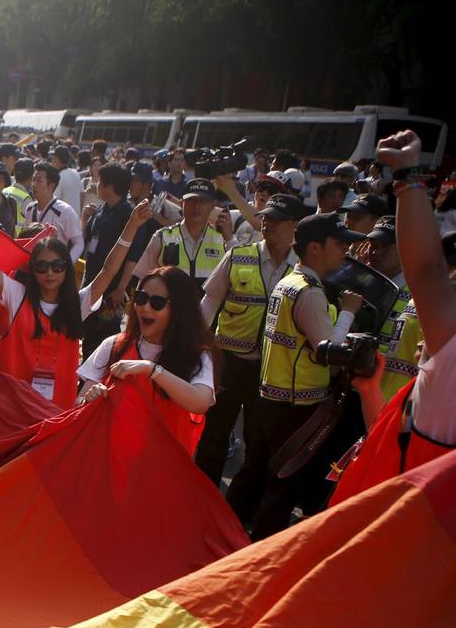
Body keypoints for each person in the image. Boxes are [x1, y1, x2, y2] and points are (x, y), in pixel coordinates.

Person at [329, 129, 456, 504]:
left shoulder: (449, 367)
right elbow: (383, 432)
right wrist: (371, 392)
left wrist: (407, 173)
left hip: (399, 519)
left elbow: (428, 269)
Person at [224, 213, 365, 539]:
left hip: (271, 396)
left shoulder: (290, 281)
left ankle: (225, 531)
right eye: (339, 243)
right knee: (282, 487)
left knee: (254, 473)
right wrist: (348, 311)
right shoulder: (310, 292)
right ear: (315, 247)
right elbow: (330, 351)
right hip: (295, 406)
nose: (345, 250)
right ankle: (261, 549)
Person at [0, 201, 138, 407]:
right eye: (41, 266)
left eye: (57, 266)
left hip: (56, 413)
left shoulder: (78, 304)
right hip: (14, 408)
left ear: (67, 268)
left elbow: (109, 271)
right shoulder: (17, 296)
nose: (50, 273)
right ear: (32, 269)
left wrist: (132, 225)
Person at [194, 193, 309, 484]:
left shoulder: (305, 269)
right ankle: (202, 494)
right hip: (229, 363)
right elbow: (209, 302)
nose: (267, 224)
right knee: (214, 434)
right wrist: (193, 345)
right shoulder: (238, 255)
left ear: (295, 225)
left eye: (277, 220)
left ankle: (240, 502)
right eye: (266, 217)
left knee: (258, 441)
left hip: (272, 371)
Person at [77, 265, 219, 454]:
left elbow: (201, 402)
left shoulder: (197, 355)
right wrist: (88, 399)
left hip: (163, 465)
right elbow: (78, 403)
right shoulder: (114, 345)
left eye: (157, 302)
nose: (145, 307)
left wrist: (152, 369)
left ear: (179, 309)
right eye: (141, 298)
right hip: (113, 461)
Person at [358, 216, 422, 401]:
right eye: (373, 244)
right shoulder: (361, 281)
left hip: (392, 396)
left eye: (385, 246)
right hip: (355, 387)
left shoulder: (417, 291)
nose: (375, 252)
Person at [129, 177, 227, 293]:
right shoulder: (162, 237)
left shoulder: (223, 239)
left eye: (203, 201)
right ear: (181, 204)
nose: (196, 206)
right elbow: (141, 278)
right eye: (191, 200)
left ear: (213, 205)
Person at [25, 163, 83, 263]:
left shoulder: (65, 211)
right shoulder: (30, 208)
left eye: (39, 181)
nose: (33, 184)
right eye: (33, 180)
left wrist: (66, 264)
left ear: (51, 186)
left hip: (54, 268)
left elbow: (79, 244)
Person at [50, 146, 82, 212]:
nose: (51, 160)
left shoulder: (60, 177)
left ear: (57, 158)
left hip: (64, 216)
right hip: (76, 215)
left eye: (53, 157)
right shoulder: (75, 173)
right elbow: (82, 195)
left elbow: (54, 201)